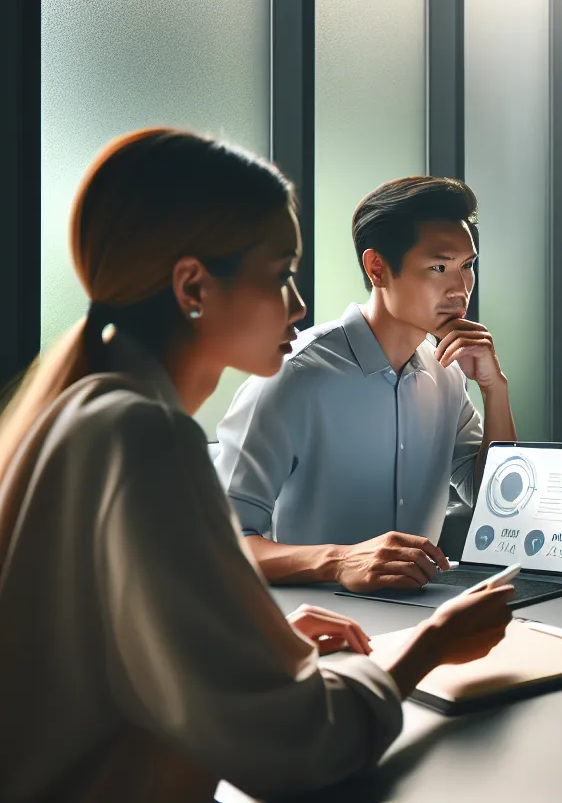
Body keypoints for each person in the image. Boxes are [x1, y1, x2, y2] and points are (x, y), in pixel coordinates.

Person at [0, 130, 513, 802]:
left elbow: (127, 646)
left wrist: (252, 638)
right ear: (192, 286)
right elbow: (297, 747)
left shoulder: (89, 414)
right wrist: (430, 645)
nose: (298, 306)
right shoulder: (147, 438)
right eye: (280, 274)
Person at [215, 176, 515, 590]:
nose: (460, 289)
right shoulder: (295, 375)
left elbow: (495, 502)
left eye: (467, 266)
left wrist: (494, 389)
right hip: (318, 629)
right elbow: (220, 544)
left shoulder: (447, 373)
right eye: (439, 267)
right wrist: (338, 561)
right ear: (377, 268)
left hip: (425, 619)